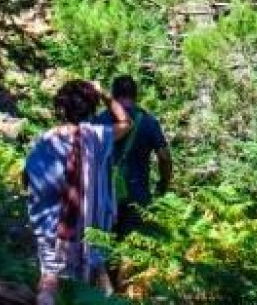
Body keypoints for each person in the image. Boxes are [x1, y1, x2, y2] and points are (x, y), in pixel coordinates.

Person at [23, 79, 130, 305]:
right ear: (91, 108)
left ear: (61, 108)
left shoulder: (45, 140)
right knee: (95, 273)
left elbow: (30, 180)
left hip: (52, 225)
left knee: (50, 277)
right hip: (94, 224)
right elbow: (125, 122)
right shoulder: (98, 136)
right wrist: (104, 94)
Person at [94, 75, 172, 237]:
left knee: (104, 243)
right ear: (136, 95)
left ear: (114, 94)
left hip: (105, 195)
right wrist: (163, 184)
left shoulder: (100, 120)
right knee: (136, 246)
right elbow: (164, 157)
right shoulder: (149, 122)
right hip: (138, 195)